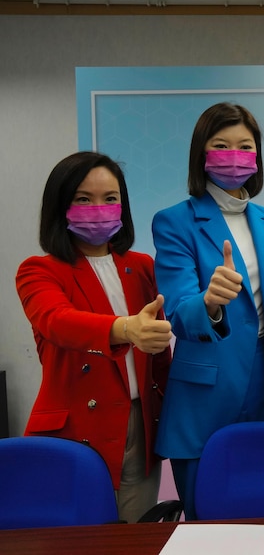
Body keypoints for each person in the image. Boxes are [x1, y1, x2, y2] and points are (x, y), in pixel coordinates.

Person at [152, 102, 264, 520]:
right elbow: (179, 311)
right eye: (221, 145)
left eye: (245, 146)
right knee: (207, 524)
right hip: (207, 392)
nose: (234, 156)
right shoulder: (174, 222)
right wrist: (210, 302)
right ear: (202, 153)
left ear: (257, 157)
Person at [16, 151, 172, 523]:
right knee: (75, 539)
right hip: (76, 429)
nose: (98, 208)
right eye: (83, 199)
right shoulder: (39, 270)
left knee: (138, 534)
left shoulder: (142, 266)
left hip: (139, 425)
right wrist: (124, 328)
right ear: (60, 206)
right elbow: (58, 321)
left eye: (110, 198)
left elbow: (159, 355)